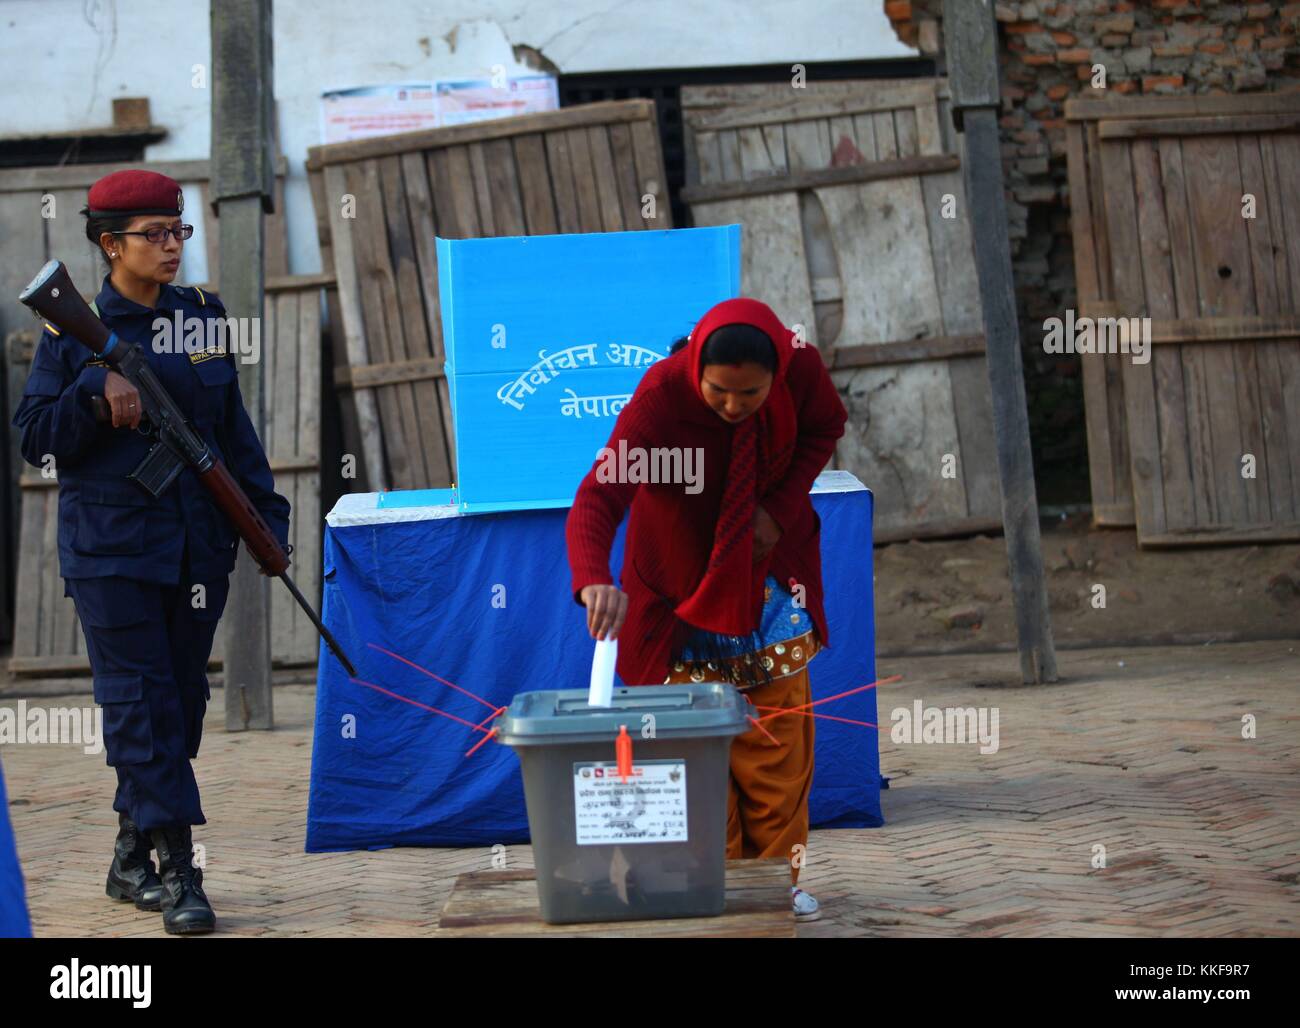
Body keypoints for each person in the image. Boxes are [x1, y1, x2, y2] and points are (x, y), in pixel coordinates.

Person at [11, 169, 290, 935]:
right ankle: (179, 870)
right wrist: (93, 398)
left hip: (196, 549)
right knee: (141, 704)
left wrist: (266, 521)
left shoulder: (200, 317)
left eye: (178, 231)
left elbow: (232, 432)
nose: (172, 246)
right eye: (154, 235)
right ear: (110, 245)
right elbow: (35, 437)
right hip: (113, 554)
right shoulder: (73, 328)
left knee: (182, 704)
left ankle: (130, 851)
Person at [566, 297, 847, 922]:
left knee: (776, 755)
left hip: (767, 586)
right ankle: (710, 891)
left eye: (750, 394)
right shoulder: (661, 397)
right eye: (718, 391)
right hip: (679, 597)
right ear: (696, 369)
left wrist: (778, 507)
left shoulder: (801, 366)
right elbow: (599, 495)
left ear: (777, 375)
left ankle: (772, 890)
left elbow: (825, 427)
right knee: (694, 764)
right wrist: (592, 579)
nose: (733, 406)